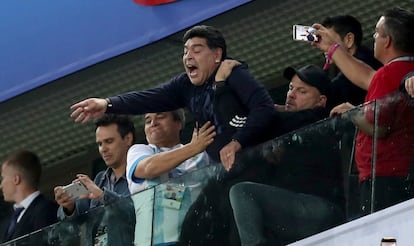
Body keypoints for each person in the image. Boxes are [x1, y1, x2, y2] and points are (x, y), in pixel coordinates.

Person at [69, 25, 276, 171]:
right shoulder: (184, 85)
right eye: (185, 52)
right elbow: (148, 98)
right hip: (221, 170)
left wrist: (236, 143)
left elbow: (264, 108)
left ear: (216, 54)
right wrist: (107, 104)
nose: (188, 57)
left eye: (197, 50)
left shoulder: (233, 73)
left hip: (256, 161)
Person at [229, 65, 345, 245]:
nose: (291, 94)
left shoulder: (317, 118)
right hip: (296, 207)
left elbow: (267, 122)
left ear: (321, 101)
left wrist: (263, 111)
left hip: (322, 208)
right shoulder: (285, 122)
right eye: (291, 88)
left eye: (302, 91)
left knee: (243, 192)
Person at [313, 7, 414, 214]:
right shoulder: (403, 71)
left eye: (377, 33)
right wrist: (332, 48)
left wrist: (351, 112)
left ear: (387, 41)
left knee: (386, 239)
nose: (373, 37)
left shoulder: (387, 75)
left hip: (384, 178)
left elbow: (379, 128)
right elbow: (368, 76)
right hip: (401, 174)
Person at [127, 109, 214, 245]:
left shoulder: (202, 156)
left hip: (198, 240)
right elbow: (148, 168)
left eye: (160, 117)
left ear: (179, 123)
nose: (153, 123)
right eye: (148, 121)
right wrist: (193, 148)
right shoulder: (140, 151)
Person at [54, 114, 135, 245]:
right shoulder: (99, 179)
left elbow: (134, 213)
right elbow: (72, 219)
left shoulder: (140, 174)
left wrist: (103, 196)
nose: (103, 149)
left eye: (109, 141)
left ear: (128, 139)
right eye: (100, 144)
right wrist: (69, 206)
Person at [321, 15, 382, 108]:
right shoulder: (336, 72)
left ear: (349, 39)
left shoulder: (368, 61)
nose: (325, 46)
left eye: (330, 40)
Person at [0, 150, 58, 243]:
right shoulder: (8, 220)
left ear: (16, 179)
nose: (1, 185)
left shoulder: (46, 210)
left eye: (3, 178)